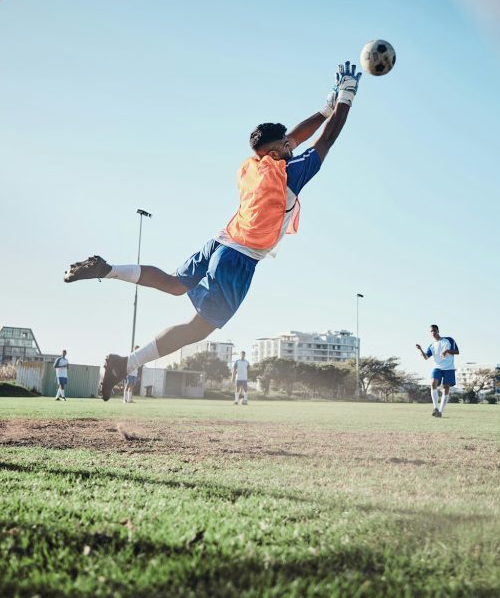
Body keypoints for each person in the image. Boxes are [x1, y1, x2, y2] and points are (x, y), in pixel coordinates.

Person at [64, 62, 361, 401]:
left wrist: (326, 107)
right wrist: (347, 96)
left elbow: (300, 134)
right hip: (240, 259)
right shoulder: (290, 175)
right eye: (286, 144)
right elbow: (327, 139)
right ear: (276, 151)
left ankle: (108, 270)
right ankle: (126, 363)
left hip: (219, 241)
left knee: (176, 284)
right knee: (198, 328)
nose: (291, 145)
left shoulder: (253, 166)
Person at [416, 325, 459, 417]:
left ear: (438, 331)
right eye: (431, 331)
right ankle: (435, 407)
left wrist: (447, 351)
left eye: (434, 330)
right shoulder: (432, 345)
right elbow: (426, 357)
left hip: (449, 367)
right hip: (437, 367)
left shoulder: (449, 340)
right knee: (433, 383)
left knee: (446, 388)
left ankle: (440, 411)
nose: (433, 333)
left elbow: (457, 351)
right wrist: (420, 349)